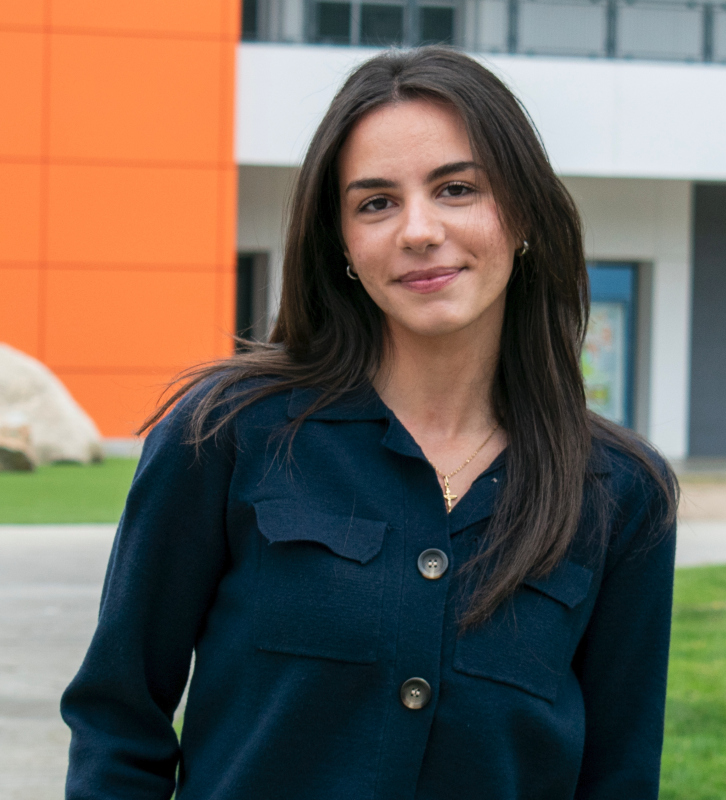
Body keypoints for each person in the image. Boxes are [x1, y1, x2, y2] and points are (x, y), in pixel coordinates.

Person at [62, 47, 678, 799]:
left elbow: (618, 776)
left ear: (520, 213)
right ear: (345, 246)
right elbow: (117, 721)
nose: (418, 230)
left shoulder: (622, 493)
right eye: (376, 203)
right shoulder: (225, 435)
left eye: (456, 189)